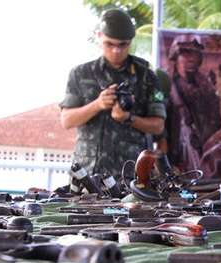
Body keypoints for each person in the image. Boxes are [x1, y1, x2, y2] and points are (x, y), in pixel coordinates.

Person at [60, 9, 165, 177]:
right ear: (99, 36)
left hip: (131, 175)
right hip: (87, 174)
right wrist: (97, 105)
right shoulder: (80, 74)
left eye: (123, 45)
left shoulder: (146, 76)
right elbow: (66, 120)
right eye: (109, 44)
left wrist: (128, 118)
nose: (116, 50)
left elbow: (158, 126)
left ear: (130, 42)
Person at [165, 34, 221, 173]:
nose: (191, 58)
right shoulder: (167, 87)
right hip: (174, 154)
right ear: (176, 57)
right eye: (185, 53)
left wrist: (203, 138)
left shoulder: (206, 87)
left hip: (203, 151)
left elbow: (216, 120)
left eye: (195, 54)